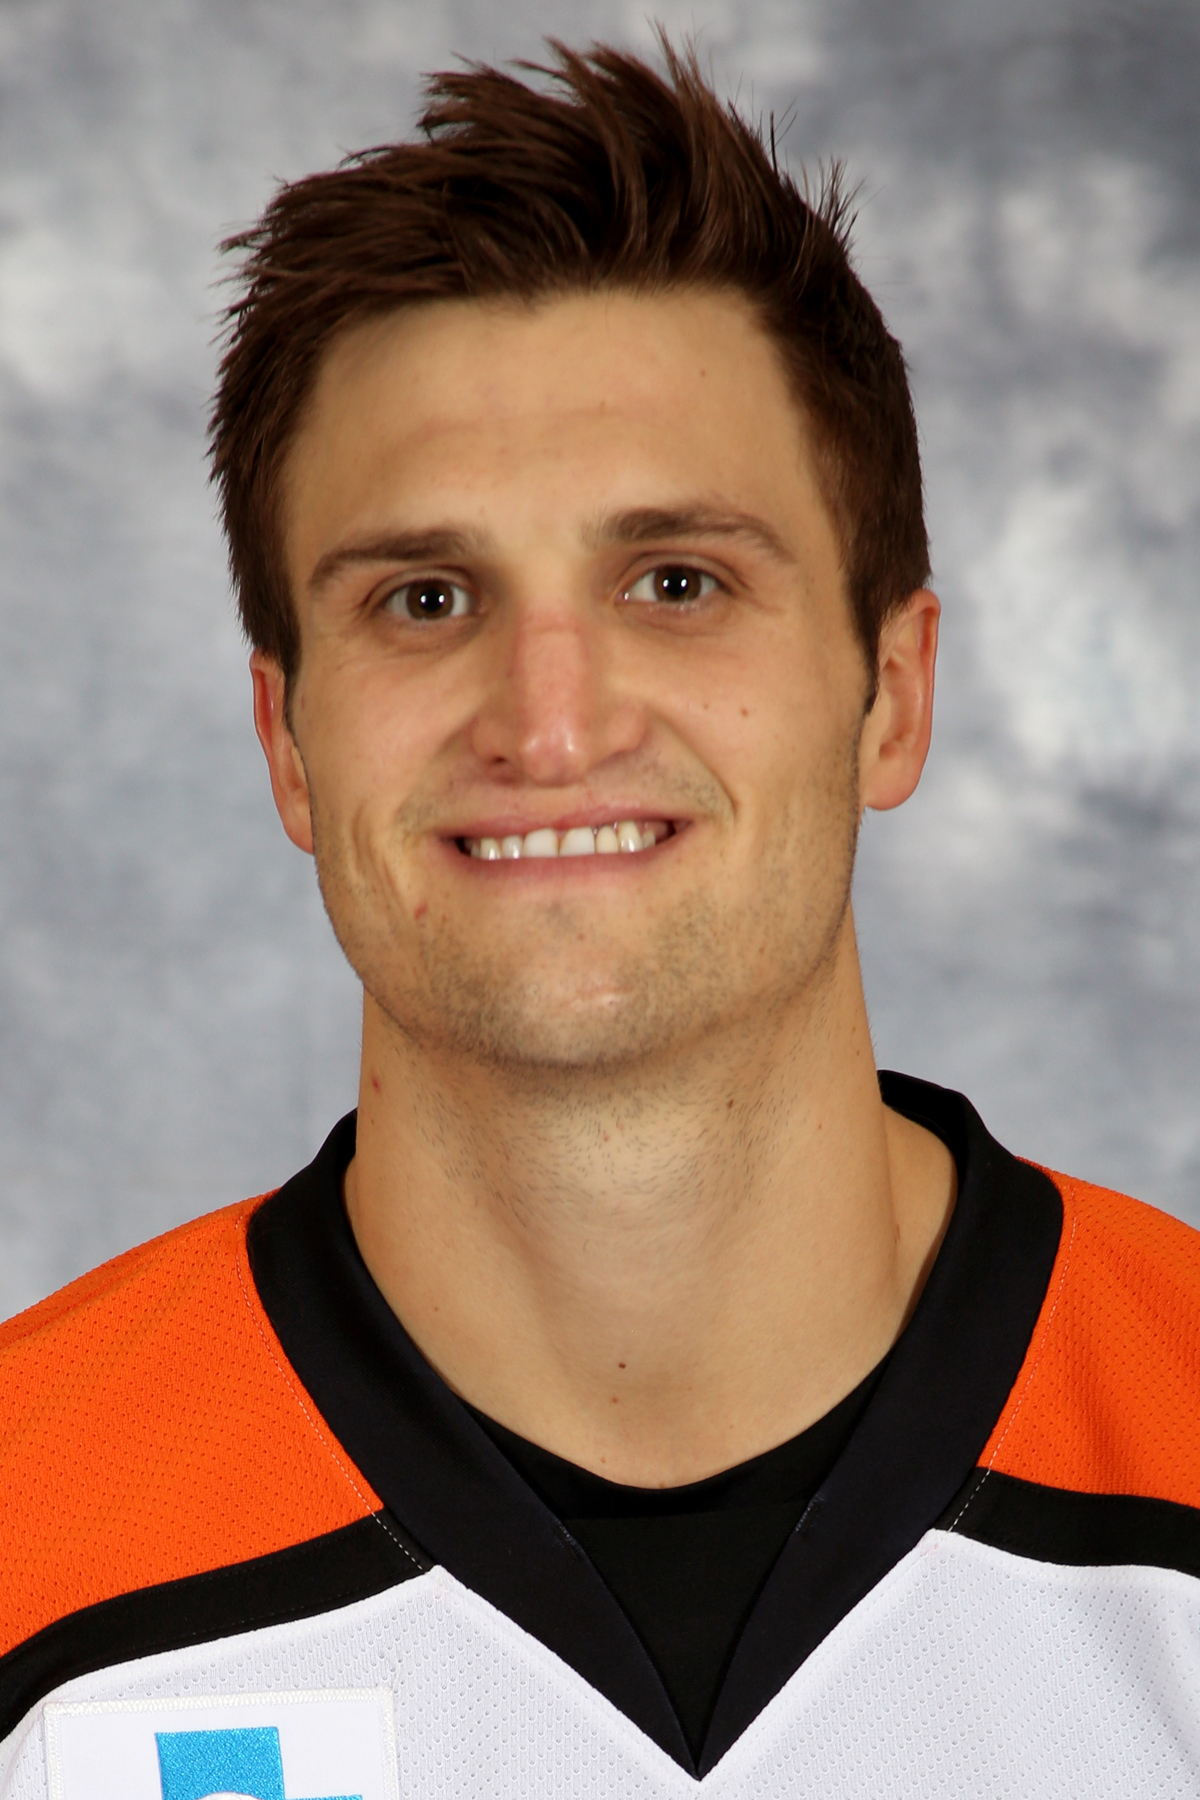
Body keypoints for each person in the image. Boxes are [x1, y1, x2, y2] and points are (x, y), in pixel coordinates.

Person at [2, 38, 1197, 1800]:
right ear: (288, 745)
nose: (550, 725)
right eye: (426, 598)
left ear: (893, 690)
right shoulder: (28, 1531)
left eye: (676, 581)